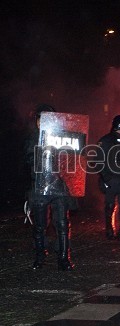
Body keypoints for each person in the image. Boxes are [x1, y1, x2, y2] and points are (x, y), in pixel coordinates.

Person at [24, 104, 75, 271]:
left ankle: (63, 258)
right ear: (37, 121)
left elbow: (72, 161)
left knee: (62, 223)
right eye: (40, 119)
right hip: (40, 187)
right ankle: (40, 256)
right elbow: (30, 161)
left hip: (59, 188)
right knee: (39, 225)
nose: (42, 123)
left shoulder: (63, 138)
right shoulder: (32, 139)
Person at [96, 115, 120, 243]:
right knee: (111, 205)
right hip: (111, 178)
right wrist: (105, 177)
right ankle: (111, 230)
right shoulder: (106, 140)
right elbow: (98, 160)